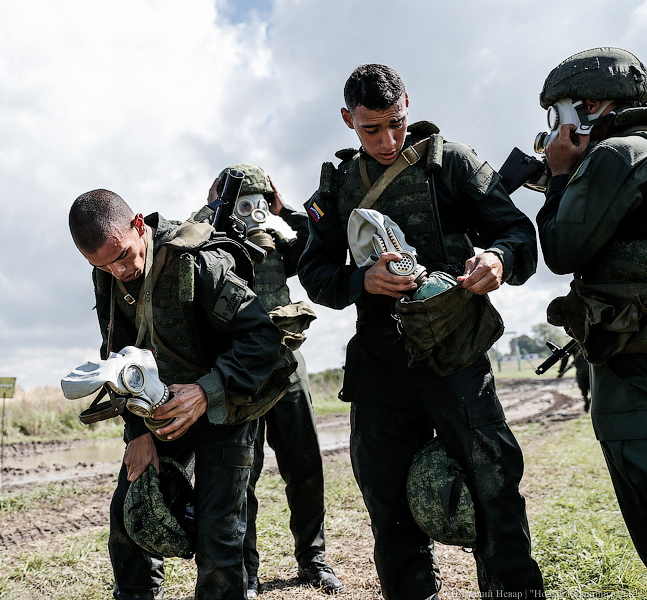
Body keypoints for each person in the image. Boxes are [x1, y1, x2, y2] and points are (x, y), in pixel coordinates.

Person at [297, 64, 544, 598]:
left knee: (493, 485)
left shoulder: (449, 162)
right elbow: (314, 273)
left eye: (397, 123)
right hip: (381, 366)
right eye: (371, 129)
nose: (387, 140)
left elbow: (517, 232)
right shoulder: (338, 185)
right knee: (389, 507)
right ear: (347, 120)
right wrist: (363, 279)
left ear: (408, 104)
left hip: (455, 354)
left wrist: (499, 259)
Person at [69, 190, 283, 600]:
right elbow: (121, 359)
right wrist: (138, 433)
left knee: (218, 536)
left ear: (137, 224)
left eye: (123, 256)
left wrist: (206, 392)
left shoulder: (199, 261)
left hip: (225, 409)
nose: (119, 271)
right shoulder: (108, 275)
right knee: (129, 516)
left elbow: (261, 338)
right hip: (160, 412)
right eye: (102, 265)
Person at [198, 164, 341, 597]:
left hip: (288, 365)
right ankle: (248, 572)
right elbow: (178, 250)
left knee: (305, 466)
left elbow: (321, 244)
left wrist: (285, 210)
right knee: (244, 475)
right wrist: (211, 211)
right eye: (244, 202)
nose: (253, 211)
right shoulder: (211, 247)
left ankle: (313, 559)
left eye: (260, 201)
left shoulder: (278, 243)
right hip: (242, 370)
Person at [535, 47, 647, 565]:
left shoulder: (616, 154)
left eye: (563, 111)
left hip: (634, 375)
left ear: (594, 106)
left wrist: (559, 178)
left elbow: (562, 250)